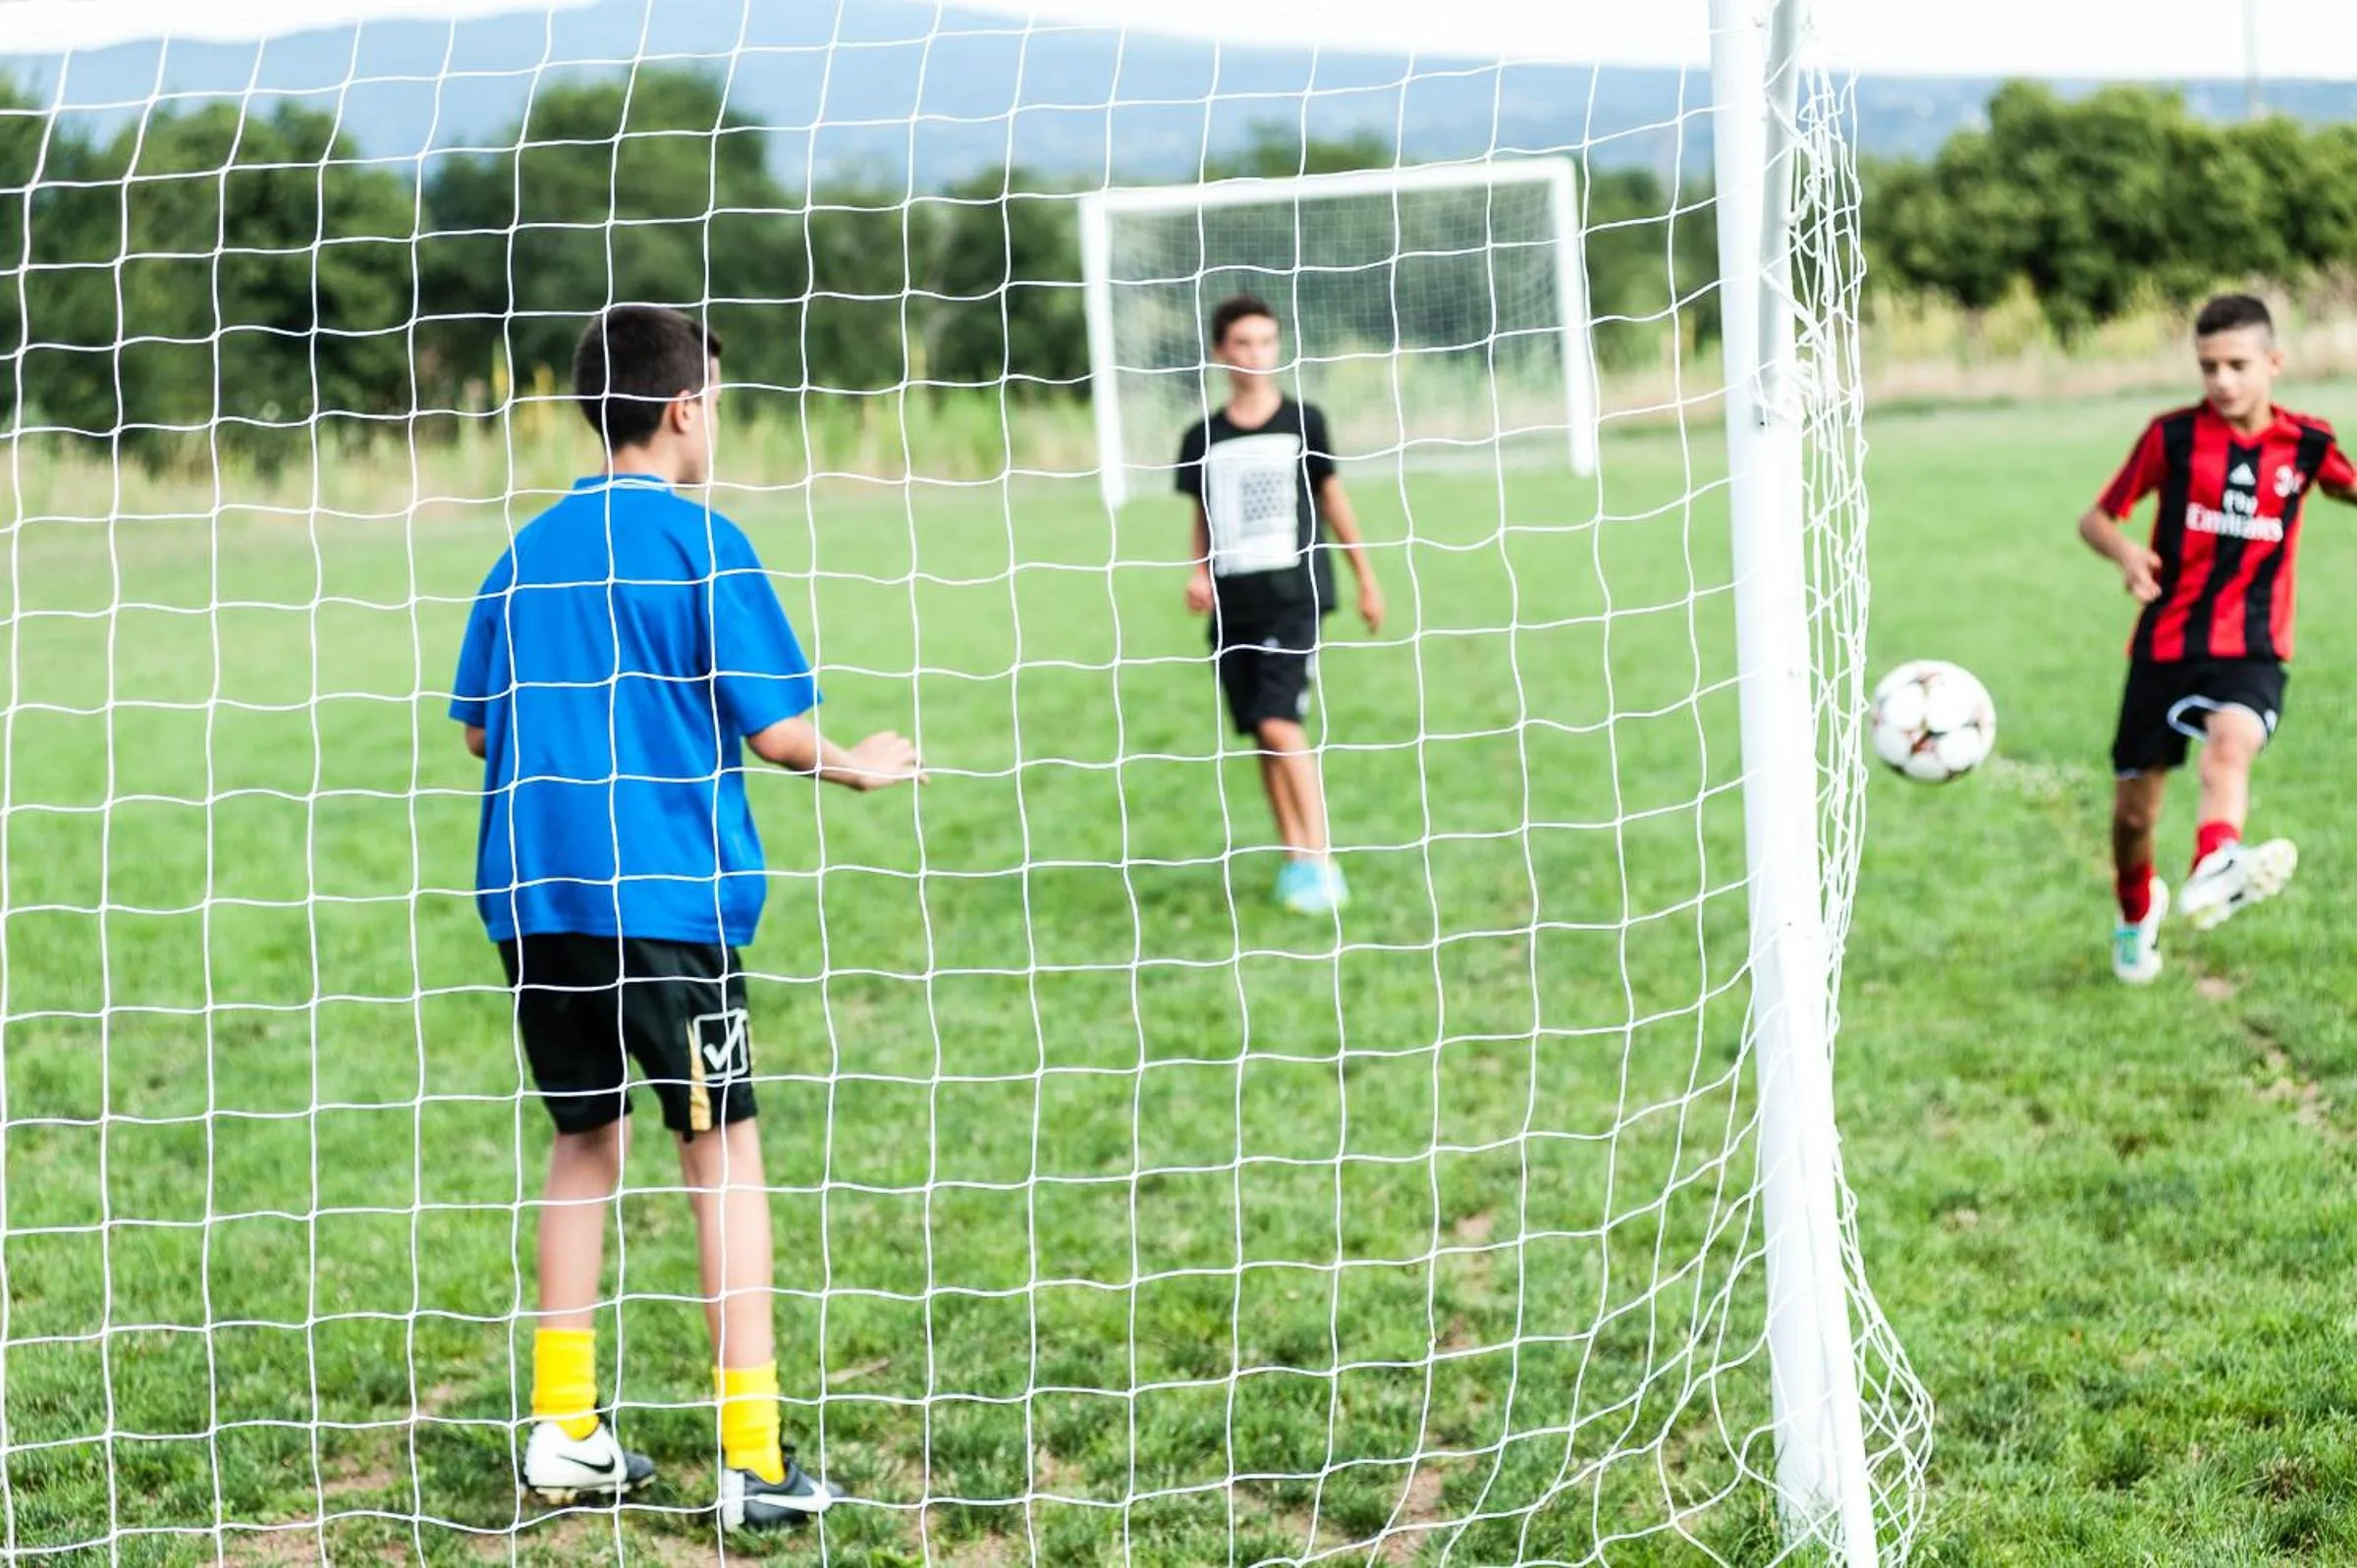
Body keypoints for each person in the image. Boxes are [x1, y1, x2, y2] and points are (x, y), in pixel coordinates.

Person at [449, 304, 921, 1525]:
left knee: (583, 1142)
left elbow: (476, 727)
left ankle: (564, 1428)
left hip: (536, 897)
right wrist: (856, 761)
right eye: (714, 397)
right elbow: (773, 728)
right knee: (722, 1155)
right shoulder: (701, 545)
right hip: (665, 900)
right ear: (681, 409)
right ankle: (752, 1458)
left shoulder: (526, 551)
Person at [2077, 293, 2355, 984]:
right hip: (2166, 645)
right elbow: (2098, 517)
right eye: (2208, 367)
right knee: (2134, 816)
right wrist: (2127, 556)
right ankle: (2136, 911)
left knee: (2230, 746)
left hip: (2253, 647)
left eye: (2237, 364)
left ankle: (2216, 859)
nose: (2222, 380)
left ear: (2273, 362)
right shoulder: (2171, 438)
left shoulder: (2308, 444)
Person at [1175, 294, 1385, 915]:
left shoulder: (1304, 422)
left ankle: (1322, 858)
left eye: (1267, 341)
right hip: (1233, 606)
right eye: (1243, 342)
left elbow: (1334, 501)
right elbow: (1202, 518)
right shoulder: (1202, 436)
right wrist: (1197, 573)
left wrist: (1366, 577)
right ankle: (1294, 857)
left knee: (1280, 722)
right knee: (1259, 736)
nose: (1256, 354)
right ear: (1221, 352)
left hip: (1296, 599)